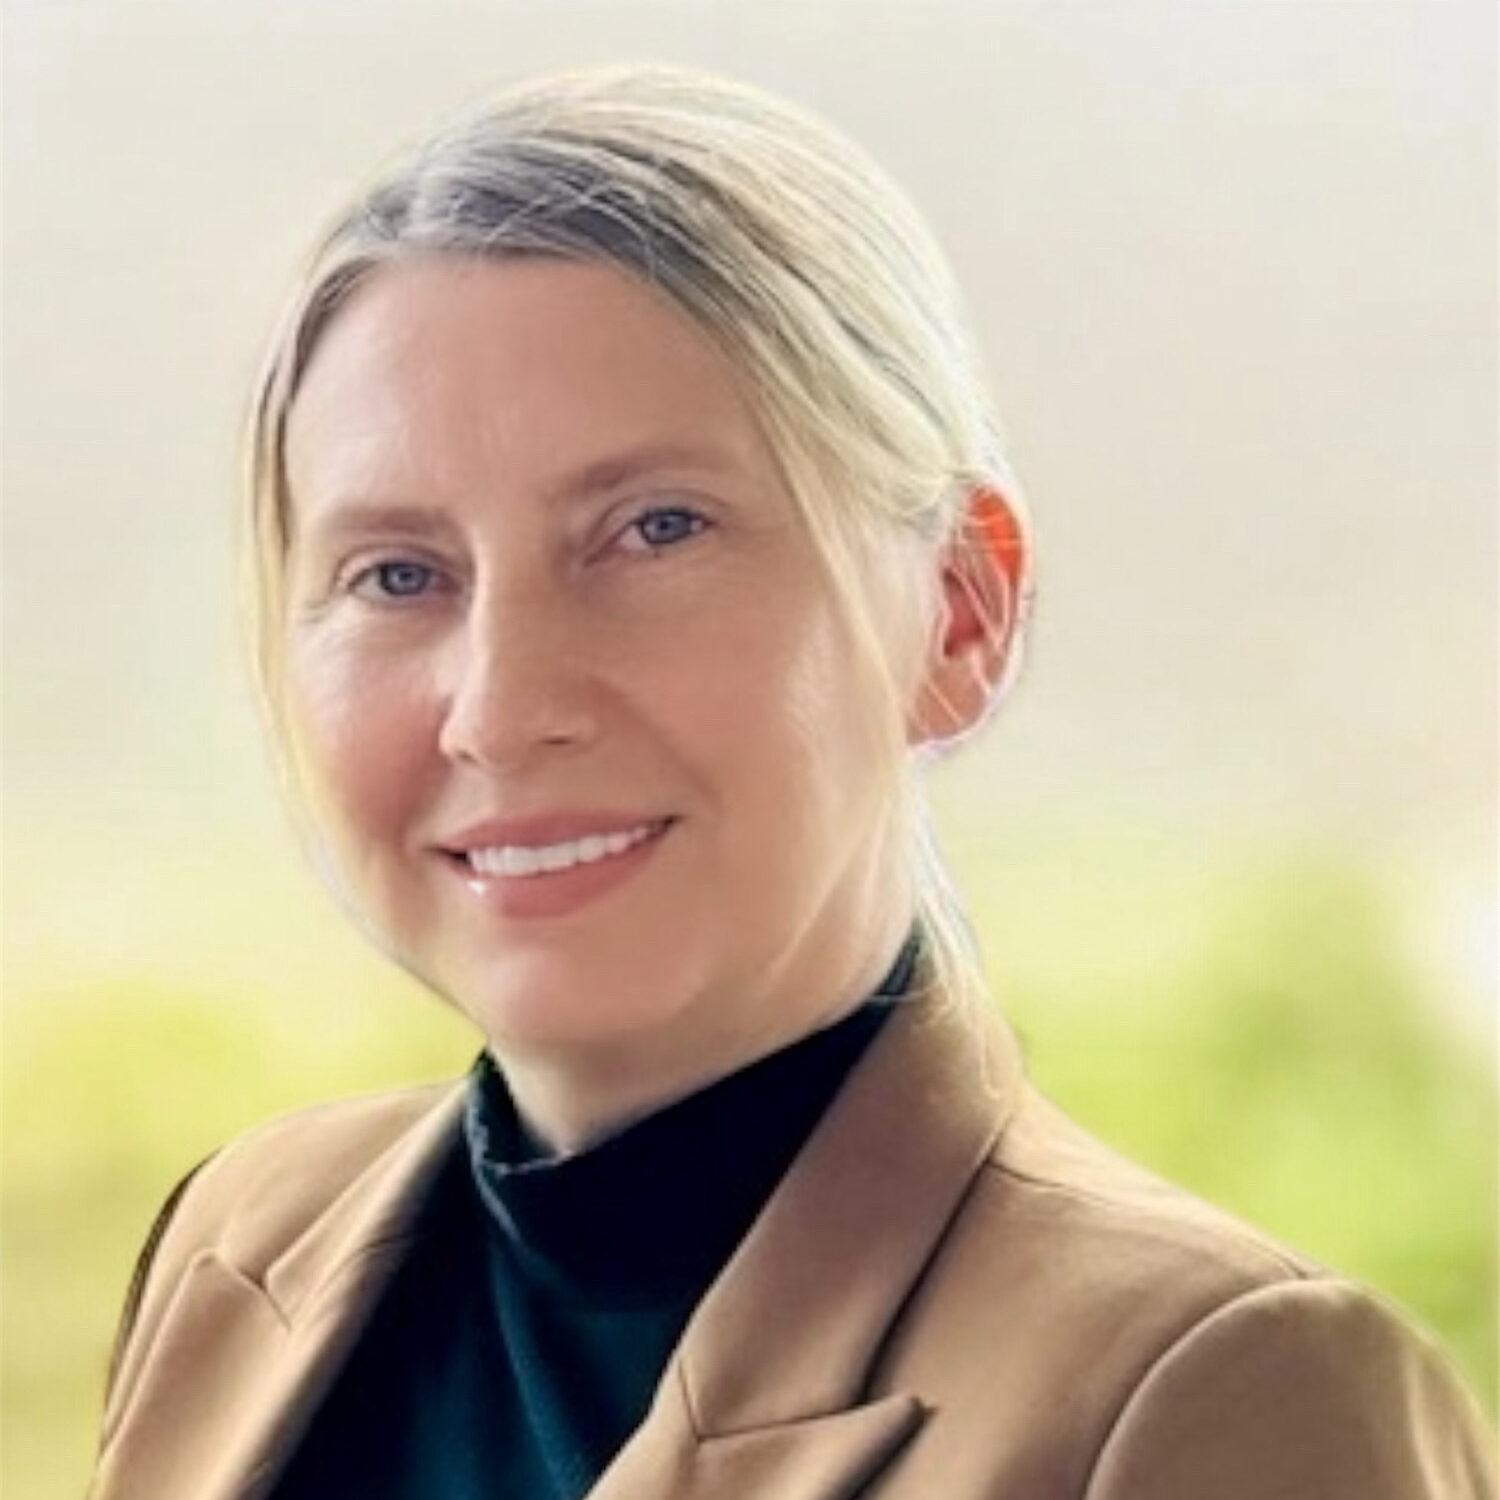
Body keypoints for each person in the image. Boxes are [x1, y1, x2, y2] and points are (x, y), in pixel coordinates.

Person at [88, 64, 1495, 1500]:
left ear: (958, 613)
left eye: (654, 530)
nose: (501, 711)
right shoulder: (243, 1250)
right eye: (397, 573)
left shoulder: (1223, 1396)